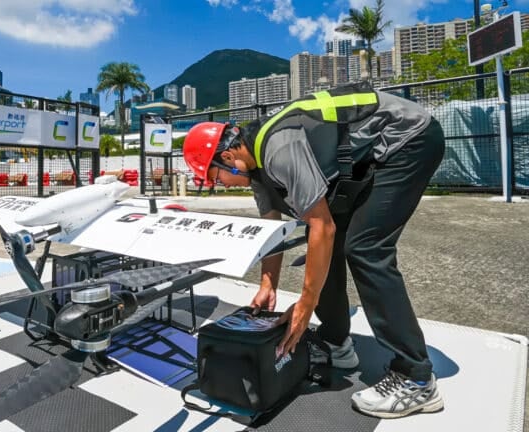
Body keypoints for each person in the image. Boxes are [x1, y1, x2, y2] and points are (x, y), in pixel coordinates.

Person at [182, 82, 445, 419]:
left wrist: (305, 306)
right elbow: (272, 232)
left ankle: (416, 378)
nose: (218, 185)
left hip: (409, 139)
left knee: (365, 249)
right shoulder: (260, 172)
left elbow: (323, 226)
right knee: (325, 251)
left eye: (215, 177)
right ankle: (338, 343)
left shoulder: (277, 149)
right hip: (373, 156)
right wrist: (268, 286)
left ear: (230, 158)